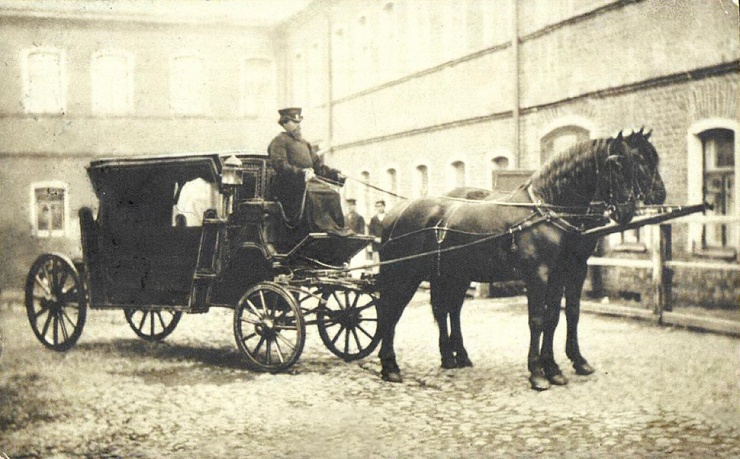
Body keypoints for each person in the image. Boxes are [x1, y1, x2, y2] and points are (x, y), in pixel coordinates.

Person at [267, 107, 351, 238]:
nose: (298, 125)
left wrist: (336, 174)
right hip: (289, 187)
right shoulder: (279, 141)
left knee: (333, 194)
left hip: (307, 184)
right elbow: (280, 165)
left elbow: (318, 167)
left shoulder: (305, 143)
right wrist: (301, 173)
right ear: (284, 123)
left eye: (299, 122)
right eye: (294, 122)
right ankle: (322, 228)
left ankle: (337, 228)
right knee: (313, 195)